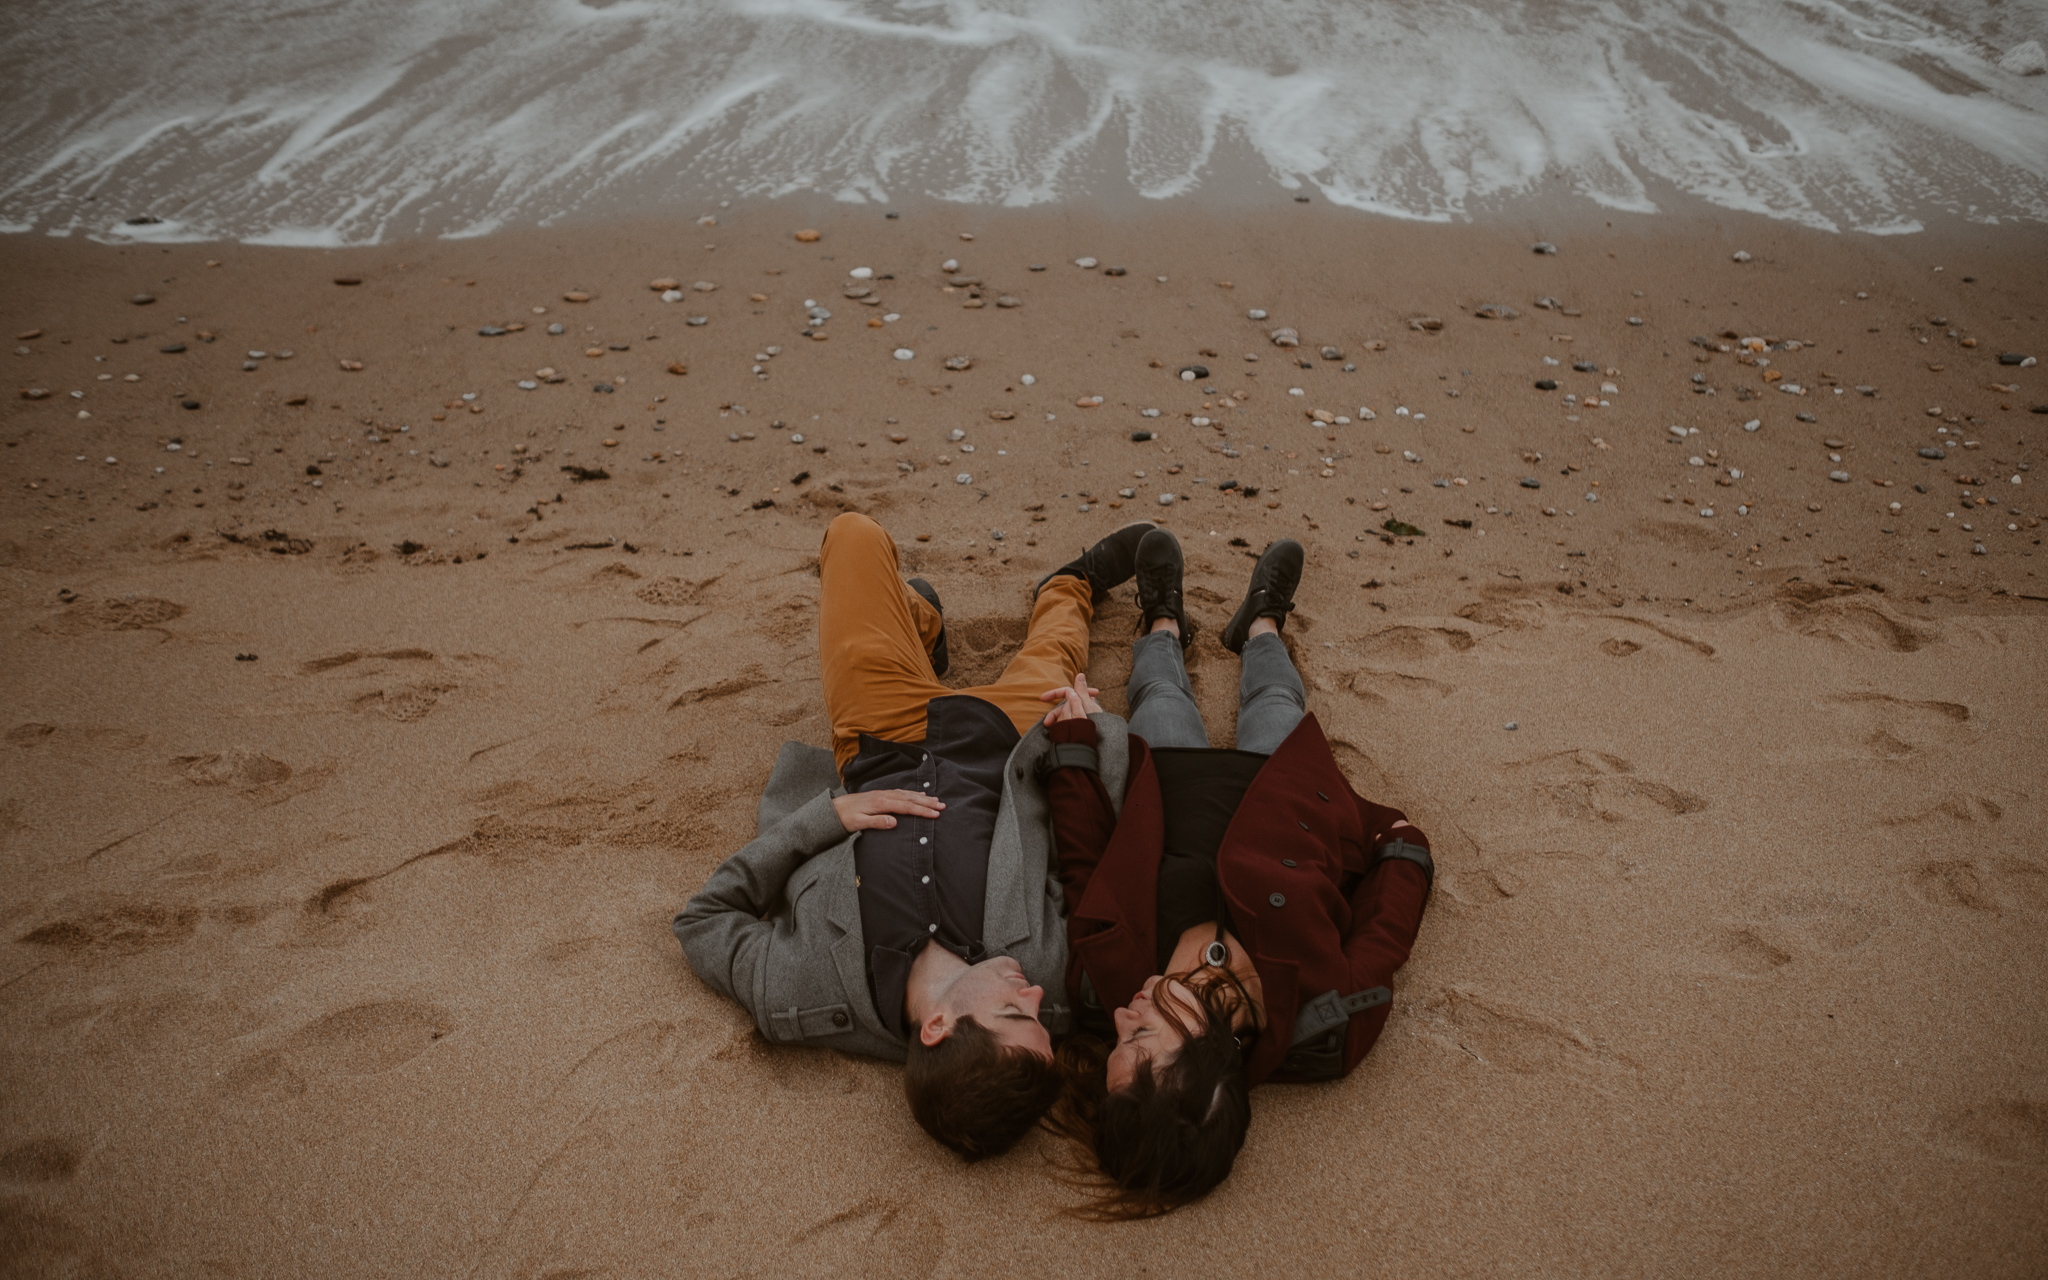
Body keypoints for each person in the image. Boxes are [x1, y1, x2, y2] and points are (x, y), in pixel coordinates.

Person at [673, 512, 1151, 1159]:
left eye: (1016, 1013)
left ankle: (917, 624)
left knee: (853, 536)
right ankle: (1070, 582)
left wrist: (827, 818)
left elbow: (702, 919)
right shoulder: (1056, 979)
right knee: (1059, 655)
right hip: (1013, 742)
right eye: (1040, 1017)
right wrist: (1091, 742)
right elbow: (1101, 860)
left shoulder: (799, 992)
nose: (1036, 996)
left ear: (936, 1027)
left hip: (883, 736)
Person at [1038, 531, 1434, 1213]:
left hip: (1172, 782)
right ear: (1198, 1054)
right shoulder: (1328, 1024)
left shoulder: (1108, 985)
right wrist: (1401, 845)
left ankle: (1164, 618)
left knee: (1161, 690)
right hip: (1288, 792)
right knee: (1276, 699)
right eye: (1140, 1037)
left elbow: (1086, 863)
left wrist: (1073, 751)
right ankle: (1261, 624)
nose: (1125, 1017)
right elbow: (1386, 934)